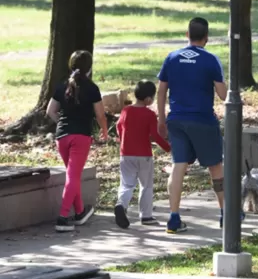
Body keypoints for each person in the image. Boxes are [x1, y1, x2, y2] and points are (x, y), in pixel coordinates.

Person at [157, 17, 244, 234]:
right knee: (215, 166)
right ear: (207, 38)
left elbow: (161, 91)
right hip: (203, 120)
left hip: (176, 119)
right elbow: (224, 94)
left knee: (179, 165)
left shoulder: (172, 58)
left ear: (187, 35)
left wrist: (161, 118)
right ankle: (226, 214)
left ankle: (174, 217)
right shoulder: (210, 60)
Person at [46, 50, 108, 233]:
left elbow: (51, 111)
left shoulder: (62, 85)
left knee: (73, 176)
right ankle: (63, 218)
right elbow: (100, 115)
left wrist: (62, 124)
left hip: (62, 137)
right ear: (89, 68)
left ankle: (80, 212)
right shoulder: (92, 88)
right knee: (73, 177)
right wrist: (105, 132)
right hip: (81, 136)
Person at [114, 80, 171, 229]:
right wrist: (167, 147)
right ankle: (146, 215)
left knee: (126, 183)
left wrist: (122, 140)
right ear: (147, 99)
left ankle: (121, 204)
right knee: (146, 185)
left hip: (125, 154)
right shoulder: (149, 114)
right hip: (144, 155)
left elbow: (118, 126)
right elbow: (155, 135)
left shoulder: (126, 110)